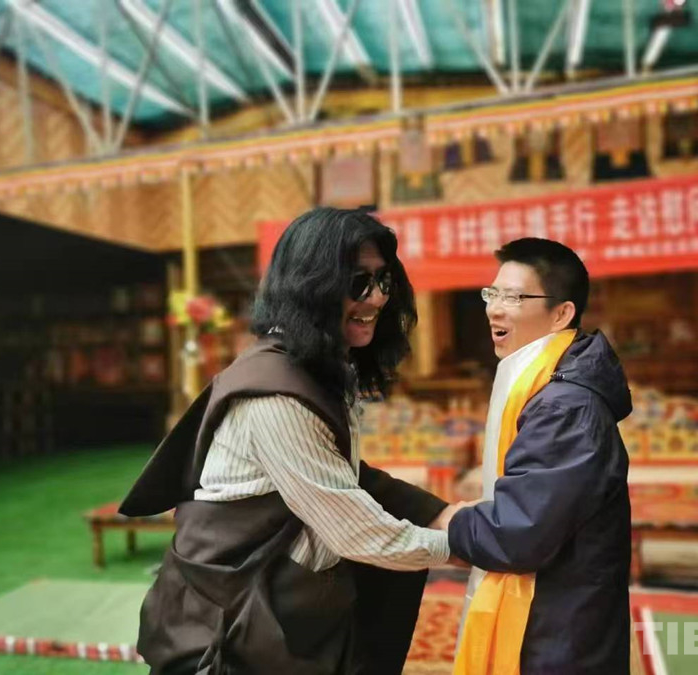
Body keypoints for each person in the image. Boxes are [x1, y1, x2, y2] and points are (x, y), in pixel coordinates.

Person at [119, 207, 463, 674]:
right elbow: (356, 531)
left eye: (384, 280)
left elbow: (343, 474)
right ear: (309, 286)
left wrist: (440, 513)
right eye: (359, 282)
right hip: (233, 629)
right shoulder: (275, 395)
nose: (379, 297)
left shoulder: (316, 368)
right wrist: (462, 546)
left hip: (281, 613)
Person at [449, 238, 633, 675]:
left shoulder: (564, 406)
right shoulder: (545, 386)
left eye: (513, 298)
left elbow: (520, 535)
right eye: (492, 294)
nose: (494, 310)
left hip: (557, 634)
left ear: (561, 314)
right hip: (558, 622)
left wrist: (452, 522)